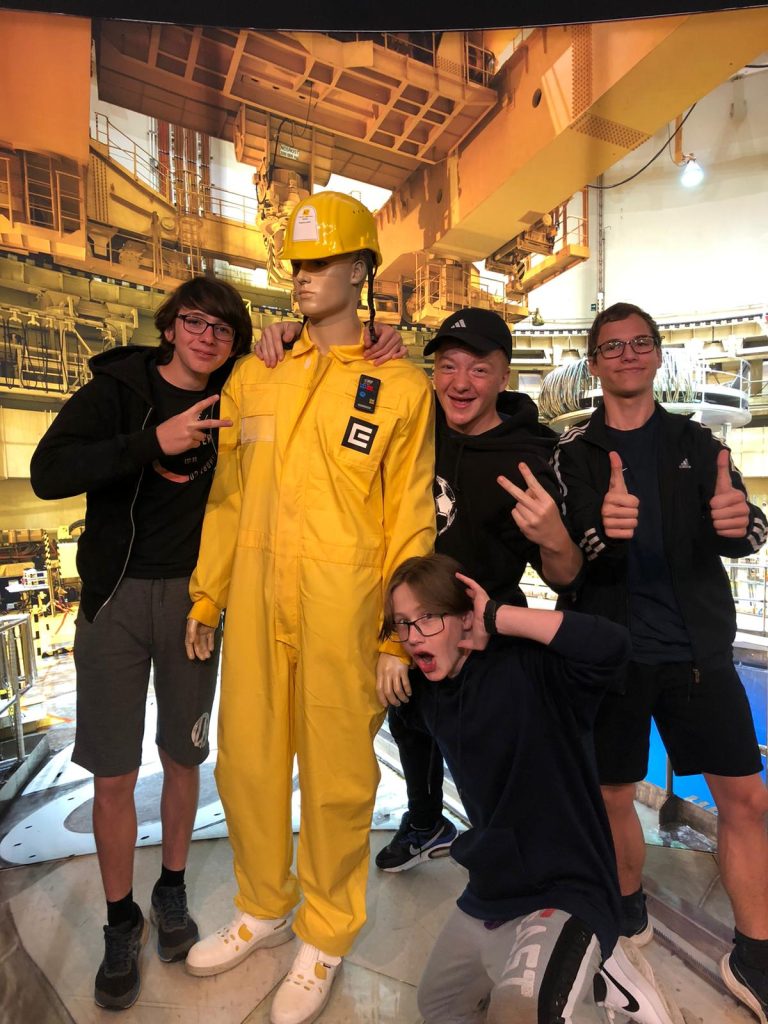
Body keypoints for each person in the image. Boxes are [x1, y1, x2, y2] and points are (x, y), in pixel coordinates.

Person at [183, 191, 435, 1024]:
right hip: (258, 601)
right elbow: (227, 497)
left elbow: (409, 519)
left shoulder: (399, 386)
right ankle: (263, 904)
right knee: (247, 761)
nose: (303, 277)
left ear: (361, 270)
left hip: (343, 607)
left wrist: (398, 633)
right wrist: (210, 593)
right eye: (296, 264)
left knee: (338, 777)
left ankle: (326, 932)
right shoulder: (256, 373)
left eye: (321, 261)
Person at [29, 277, 252, 1010]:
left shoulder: (237, 396)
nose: (206, 337)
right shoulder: (117, 390)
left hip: (195, 601)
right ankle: (120, 919)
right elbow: (48, 473)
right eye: (195, 322)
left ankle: (172, 890)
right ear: (169, 326)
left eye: (222, 329)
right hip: (116, 597)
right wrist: (151, 442)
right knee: (114, 773)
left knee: (185, 756)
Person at [553, 301, 768, 1022]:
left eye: (639, 343)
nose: (627, 354)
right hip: (612, 657)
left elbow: (745, 524)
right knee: (612, 795)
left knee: (746, 800)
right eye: (612, 346)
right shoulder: (574, 454)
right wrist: (600, 531)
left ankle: (755, 952)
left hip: (697, 655)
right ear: (594, 363)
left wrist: (744, 527)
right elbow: (566, 554)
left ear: (655, 355)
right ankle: (626, 905)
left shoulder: (696, 441)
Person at [382, 552, 683, 1024]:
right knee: (437, 1007)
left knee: (525, 1011)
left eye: (428, 618)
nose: (414, 635)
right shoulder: (426, 695)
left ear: (465, 618)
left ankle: (595, 958)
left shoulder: (529, 667)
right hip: (492, 889)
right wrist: (384, 656)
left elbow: (611, 645)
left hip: (566, 887)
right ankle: (593, 971)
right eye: (403, 624)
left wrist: (499, 617)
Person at [375, 307, 584, 871]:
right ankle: (426, 822)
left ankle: (514, 858)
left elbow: (565, 576)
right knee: (409, 723)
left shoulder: (532, 455)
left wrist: (555, 536)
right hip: (414, 625)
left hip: (482, 635)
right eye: (448, 366)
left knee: (490, 763)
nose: (460, 383)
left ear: (503, 376)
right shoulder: (417, 428)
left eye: (479, 369)